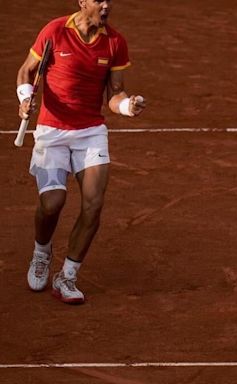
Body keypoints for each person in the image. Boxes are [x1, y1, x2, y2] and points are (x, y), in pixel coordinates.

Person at [16, 0, 145, 304]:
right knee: (52, 203)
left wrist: (128, 106)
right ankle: (42, 251)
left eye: (108, 1)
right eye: (99, 0)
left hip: (90, 133)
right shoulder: (55, 31)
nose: (106, 5)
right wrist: (25, 98)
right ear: (82, 2)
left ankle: (67, 276)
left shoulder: (114, 42)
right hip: (52, 132)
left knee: (94, 204)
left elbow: (114, 94)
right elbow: (26, 71)